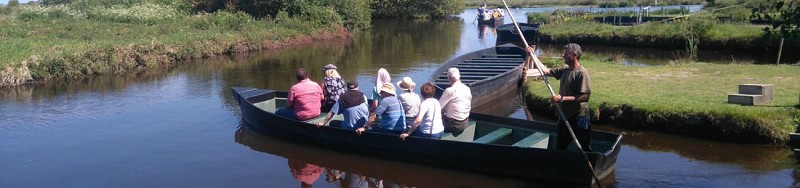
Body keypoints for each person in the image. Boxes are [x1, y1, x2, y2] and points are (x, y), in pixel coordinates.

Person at [527, 43, 592, 152]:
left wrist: (562, 98)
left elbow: (585, 97)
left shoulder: (582, 73)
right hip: (564, 116)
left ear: (574, 55)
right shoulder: (565, 70)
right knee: (561, 146)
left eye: (566, 54)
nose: (563, 56)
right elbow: (545, 71)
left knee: (584, 147)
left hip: (579, 117)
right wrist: (533, 55)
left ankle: (588, 166)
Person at [439, 67, 471, 136]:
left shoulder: (450, 90)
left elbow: (438, 108)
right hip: (465, 122)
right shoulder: (467, 88)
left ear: (450, 78)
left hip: (453, 125)